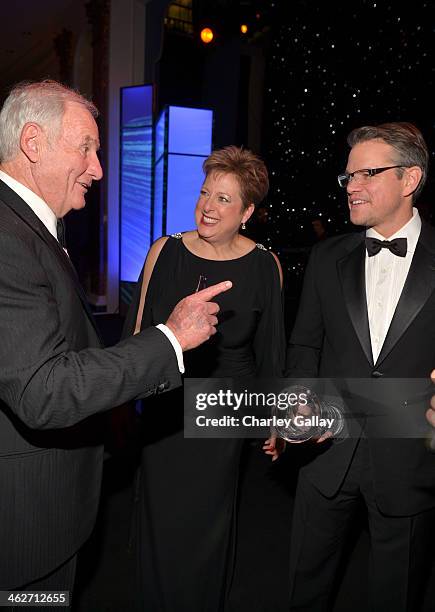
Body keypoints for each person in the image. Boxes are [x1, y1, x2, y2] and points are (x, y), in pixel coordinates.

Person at [0, 80, 231, 600]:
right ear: (33, 143)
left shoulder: (30, 229)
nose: (99, 169)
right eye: (87, 147)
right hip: (23, 529)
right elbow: (43, 390)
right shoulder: (6, 238)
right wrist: (170, 338)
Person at [122, 145, 286, 611]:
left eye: (224, 199)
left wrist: (273, 419)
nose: (208, 207)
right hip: (167, 408)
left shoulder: (264, 265)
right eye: (205, 193)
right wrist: (121, 404)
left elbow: (271, 351)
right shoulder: (165, 251)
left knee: (209, 521)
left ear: (248, 211)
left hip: (223, 416)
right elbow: (136, 335)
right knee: (160, 516)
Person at [285, 122, 435, 611]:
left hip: (411, 459)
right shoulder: (327, 257)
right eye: (348, 176)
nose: (351, 185)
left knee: (398, 592)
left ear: (410, 179)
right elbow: (305, 345)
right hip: (326, 455)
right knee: (304, 587)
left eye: (367, 173)